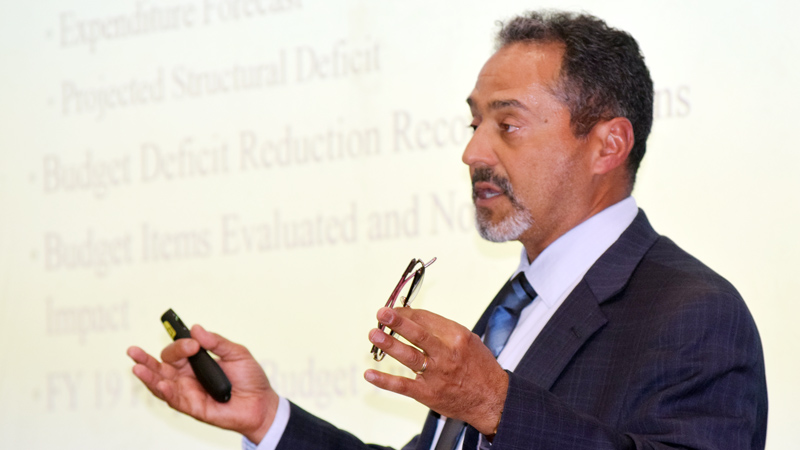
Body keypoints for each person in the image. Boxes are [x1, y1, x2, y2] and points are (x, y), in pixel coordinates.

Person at [127, 10, 768, 450]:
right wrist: (268, 420)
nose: (473, 154)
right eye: (474, 125)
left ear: (608, 144)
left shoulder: (695, 314)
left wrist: (498, 407)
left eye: (507, 125)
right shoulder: (519, 306)